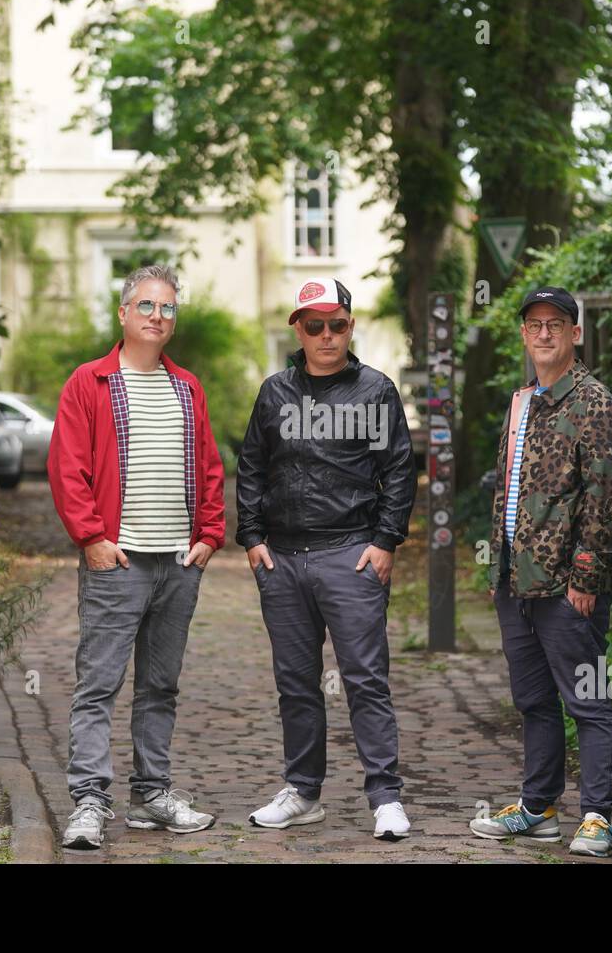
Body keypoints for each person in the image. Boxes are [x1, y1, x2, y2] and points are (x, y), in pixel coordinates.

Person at [47, 264, 226, 847]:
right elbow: (67, 467)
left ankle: (151, 795)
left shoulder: (187, 387)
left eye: (168, 308)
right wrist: (92, 539)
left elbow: (210, 467)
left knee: (160, 686)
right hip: (116, 564)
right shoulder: (89, 383)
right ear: (123, 314)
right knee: (97, 684)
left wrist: (208, 538)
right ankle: (89, 804)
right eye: (146, 306)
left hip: (177, 563)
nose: (157, 316)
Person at [236, 277, 417, 840]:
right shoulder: (274, 393)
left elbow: (400, 471)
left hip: (350, 554)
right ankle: (303, 791)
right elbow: (251, 467)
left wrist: (385, 542)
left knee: (365, 678)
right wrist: (252, 537)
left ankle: (385, 796)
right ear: (298, 329)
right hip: (283, 560)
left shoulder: (376, 390)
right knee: (296, 681)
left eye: (337, 324)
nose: (327, 335)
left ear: (350, 326)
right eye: (314, 325)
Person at [468, 285, 612, 857]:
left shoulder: (594, 402)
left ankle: (596, 816)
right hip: (515, 580)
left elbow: (606, 496)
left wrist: (587, 576)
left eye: (555, 324)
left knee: (586, 698)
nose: (543, 333)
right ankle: (538, 809)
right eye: (534, 324)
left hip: (566, 585)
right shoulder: (520, 401)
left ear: (575, 333)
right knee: (533, 700)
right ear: (523, 334)